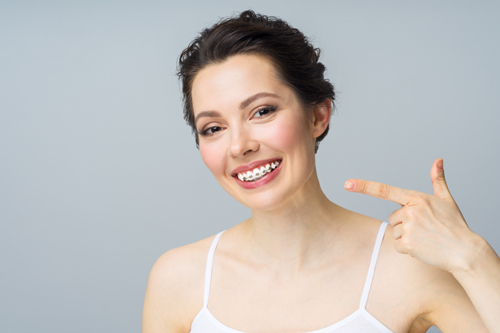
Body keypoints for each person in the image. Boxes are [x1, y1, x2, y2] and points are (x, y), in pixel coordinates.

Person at [143, 10, 500, 333]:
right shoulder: (178, 280)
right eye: (213, 128)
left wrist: (471, 256)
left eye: (262, 111)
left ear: (317, 116)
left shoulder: (409, 267)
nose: (238, 146)